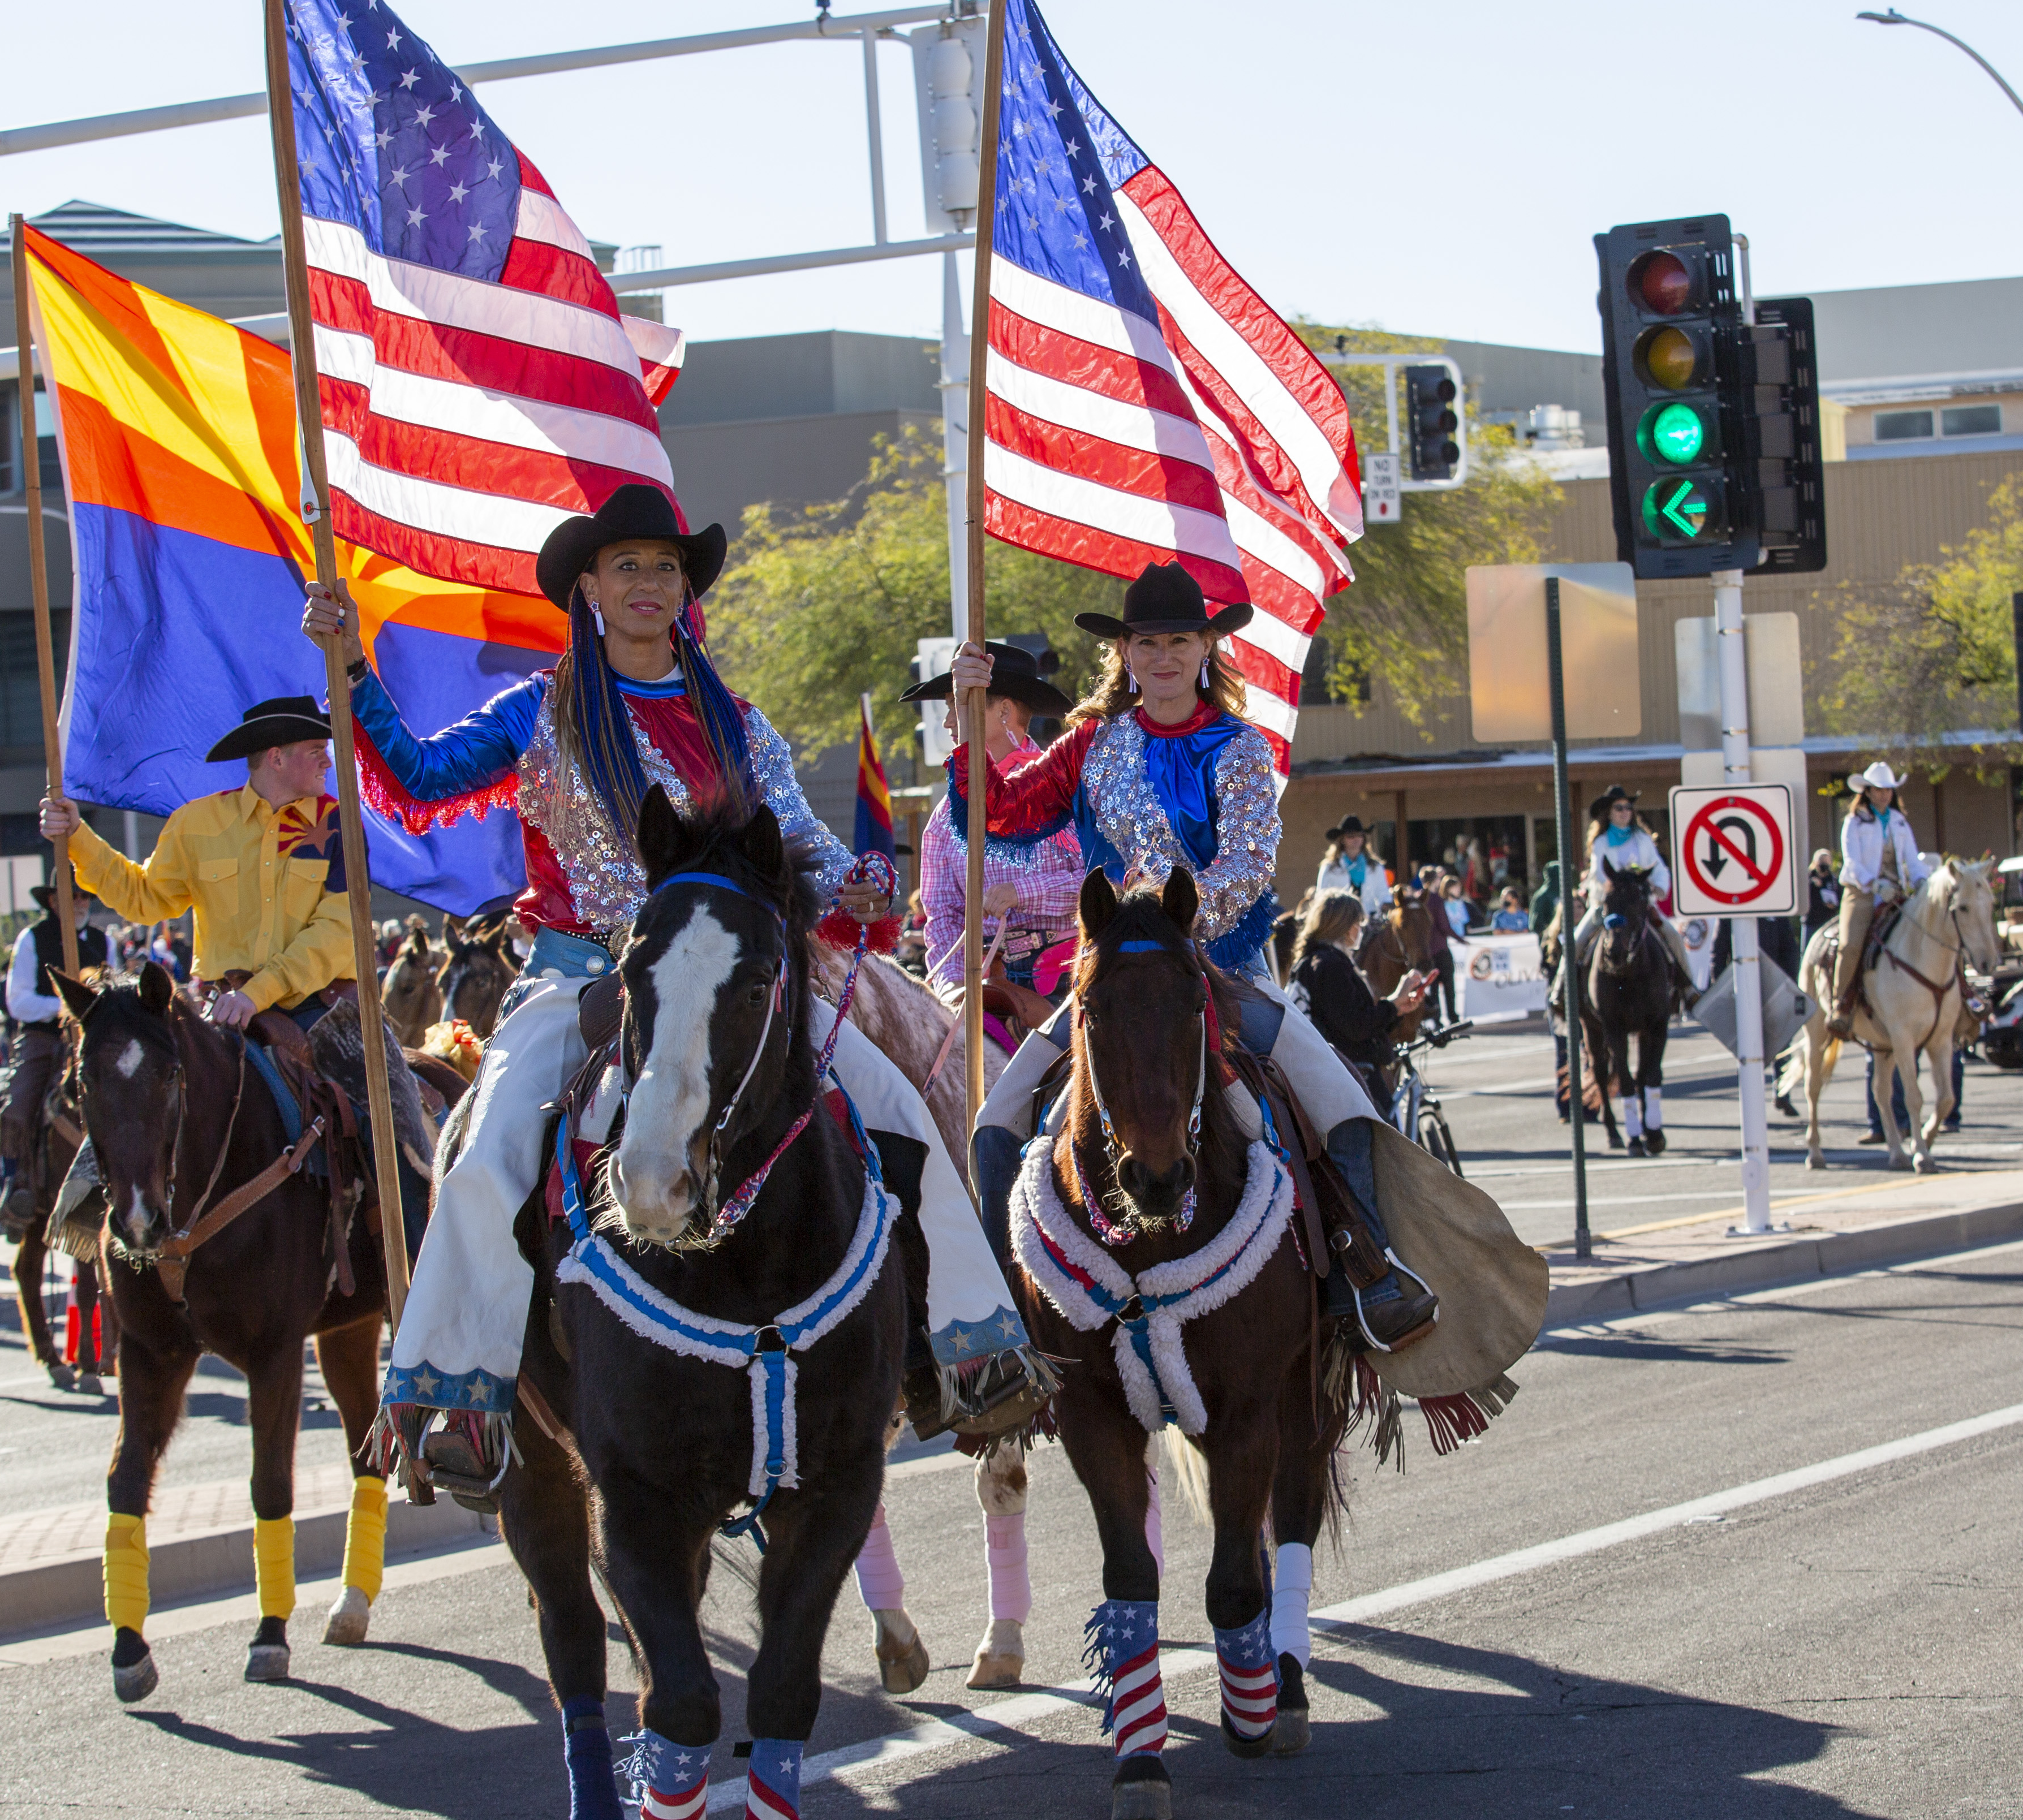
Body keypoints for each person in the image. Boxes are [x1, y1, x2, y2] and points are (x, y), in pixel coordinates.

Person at [329, 481, 1035, 1480]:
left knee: (904, 1116)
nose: (649, 584)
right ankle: (461, 1395)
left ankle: (963, 1351)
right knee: (486, 1148)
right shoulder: (537, 712)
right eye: (629, 567)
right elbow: (416, 777)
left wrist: (862, 880)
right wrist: (352, 669)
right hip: (583, 981)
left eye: (665, 567)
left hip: (735, 981)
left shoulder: (737, 721)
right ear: (588, 588)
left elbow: (798, 836)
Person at [952, 559, 1439, 1349]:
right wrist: (971, 726)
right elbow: (1001, 816)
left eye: (1180, 639)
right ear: (1125, 655)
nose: (1164, 656)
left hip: (1225, 970)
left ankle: (1368, 1275)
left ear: (1209, 646)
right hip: (1111, 976)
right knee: (997, 1117)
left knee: (1341, 1099)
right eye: (1147, 644)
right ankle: (1007, 1311)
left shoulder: (1240, 748)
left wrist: (1173, 921)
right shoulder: (1090, 746)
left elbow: (1247, 867)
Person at [37, 698, 354, 1034]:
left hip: (317, 1009)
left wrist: (257, 994)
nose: (327, 762)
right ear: (276, 758)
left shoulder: (339, 823)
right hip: (222, 1011)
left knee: (370, 1088)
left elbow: (338, 929)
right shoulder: (195, 823)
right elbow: (144, 899)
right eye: (316, 750)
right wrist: (75, 835)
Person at [907, 641, 1084, 1036]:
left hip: (1072, 977)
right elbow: (944, 917)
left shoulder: (1069, 790)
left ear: (1004, 710)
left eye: (960, 707)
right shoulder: (943, 820)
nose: (949, 722)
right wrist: (952, 988)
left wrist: (1025, 891)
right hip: (988, 986)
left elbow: (1105, 881)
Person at [0, 882, 106, 1220]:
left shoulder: (104, 941)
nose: (79, 903)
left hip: (91, 1038)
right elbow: (18, 1001)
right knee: (18, 1104)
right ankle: (17, 1182)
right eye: (72, 896)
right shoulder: (33, 938)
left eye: (85, 896)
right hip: (44, 1038)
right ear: (51, 900)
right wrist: (64, 1007)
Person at [1290, 892, 1428, 1103]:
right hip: (1352, 1078)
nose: (1362, 929)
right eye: (1359, 923)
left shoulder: (1322, 960)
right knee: (1387, 1133)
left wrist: (1398, 1008)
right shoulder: (1330, 965)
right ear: (1344, 927)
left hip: (1344, 1074)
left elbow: (1356, 1020)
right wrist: (1393, 1003)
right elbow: (1357, 1026)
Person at [1827, 760, 1927, 1040]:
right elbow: (1853, 863)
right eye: (1878, 790)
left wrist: (1921, 881)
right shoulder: (1854, 822)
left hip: (1896, 890)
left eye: (1888, 790)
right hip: (1862, 891)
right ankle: (1841, 1006)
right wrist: (1874, 884)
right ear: (1868, 792)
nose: (1884, 795)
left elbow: (1913, 859)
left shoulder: (1899, 822)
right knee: (1851, 944)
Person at [1571, 785, 1695, 991]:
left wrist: (1660, 888)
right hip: (1607, 906)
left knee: (1673, 937)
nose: (1625, 812)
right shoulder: (1600, 843)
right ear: (1609, 813)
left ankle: (1689, 990)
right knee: (1576, 942)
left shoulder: (1643, 840)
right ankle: (1562, 991)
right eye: (1619, 808)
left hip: (1639, 906)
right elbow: (1599, 873)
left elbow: (1659, 870)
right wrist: (1620, 883)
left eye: (1628, 808)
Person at [1312, 816, 1394, 916]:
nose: (1356, 839)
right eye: (1351, 836)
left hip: (1370, 919)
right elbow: (1321, 896)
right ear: (1342, 840)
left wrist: (1386, 905)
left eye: (1359, 836)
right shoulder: (1330, 867)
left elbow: (1383, 894)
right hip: (1341, 920)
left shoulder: (1375, 866)